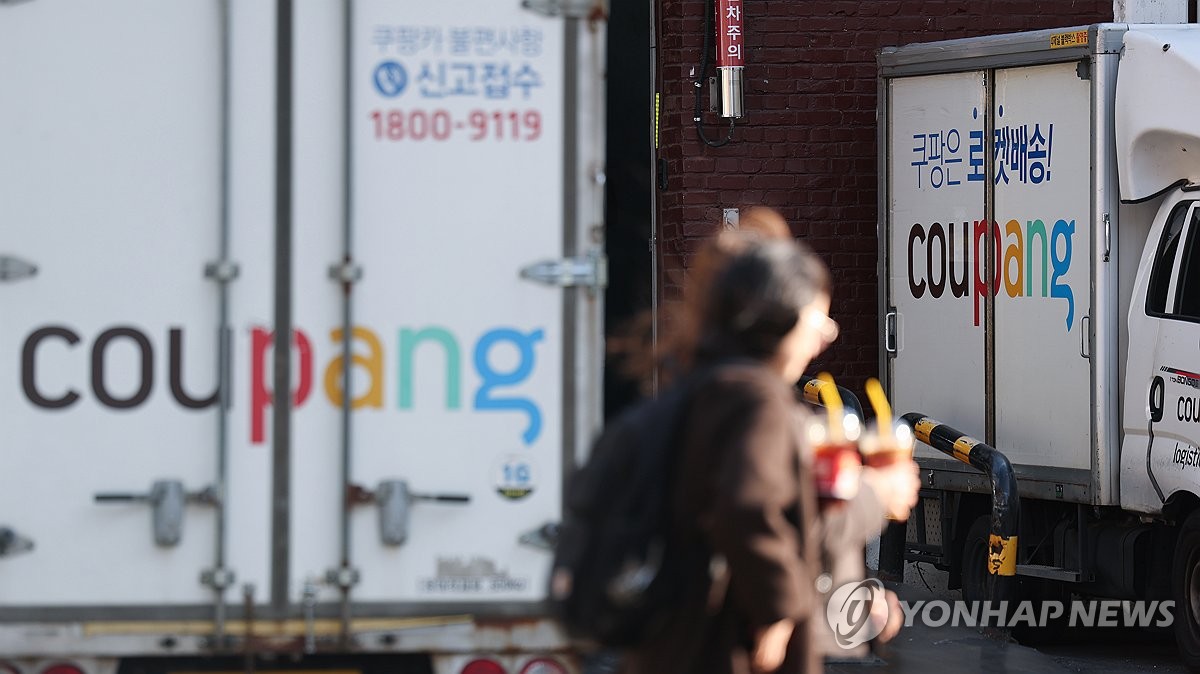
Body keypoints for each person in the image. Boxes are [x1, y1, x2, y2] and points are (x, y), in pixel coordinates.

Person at [621, 226, 919, 674]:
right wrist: (875, 495)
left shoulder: (691, 396)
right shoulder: (757, 404)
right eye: (818, 321)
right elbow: (755, 514)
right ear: (777, 319)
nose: (826, 337)